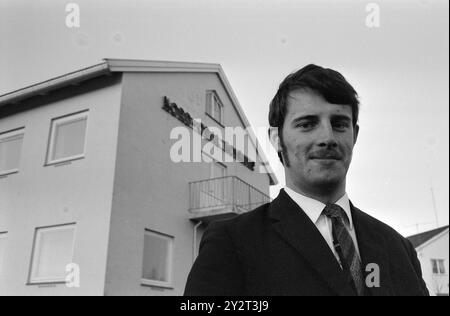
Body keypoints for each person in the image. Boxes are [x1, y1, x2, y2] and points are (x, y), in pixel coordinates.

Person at [184, 64, 429, 296]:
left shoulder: (399, 248)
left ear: (354, 135)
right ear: (276, 139)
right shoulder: (232, 243)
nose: (327, 137)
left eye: (339, 123)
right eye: (307, 124)